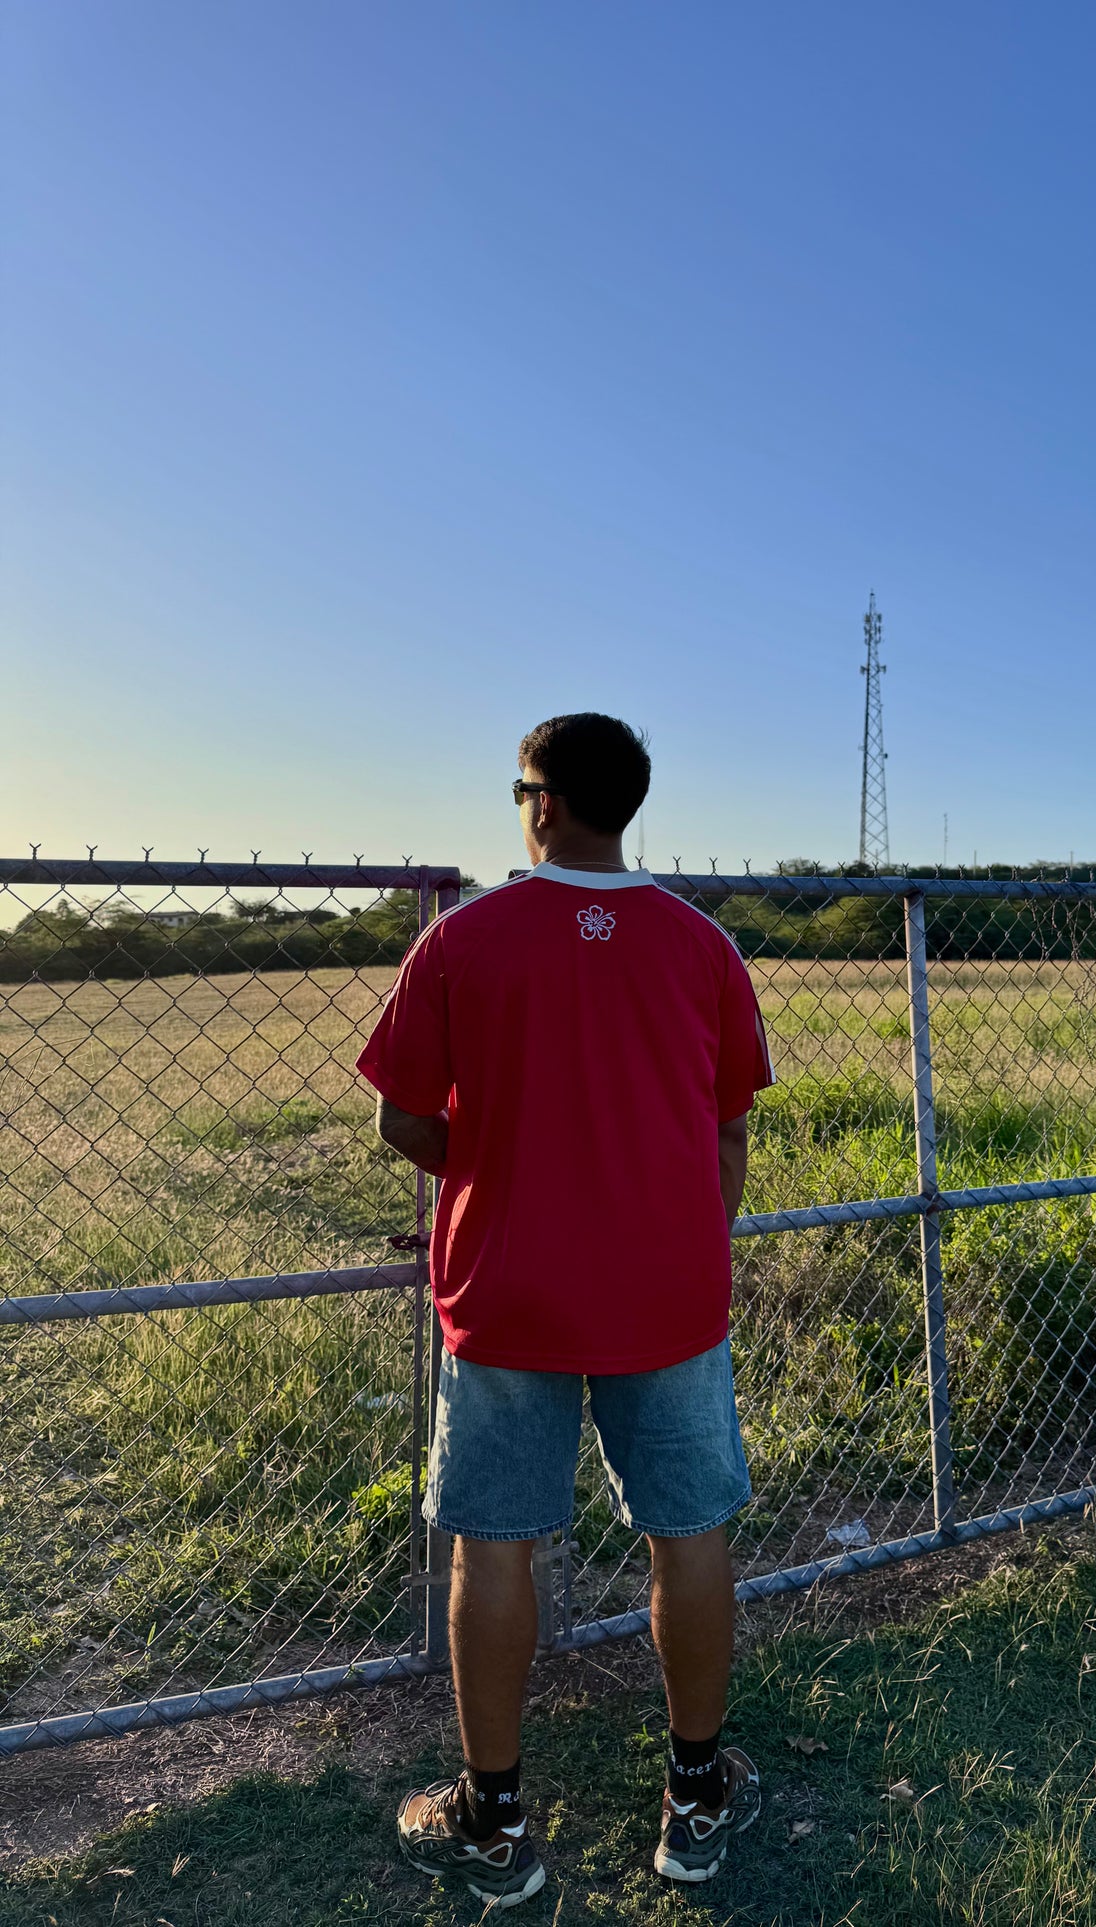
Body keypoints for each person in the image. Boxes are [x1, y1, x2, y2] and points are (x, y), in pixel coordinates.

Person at [356, 712, 773, 1907]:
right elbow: (727, 1125)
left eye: (518, 785)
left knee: (496, 1544)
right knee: (686, 1533)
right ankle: (692, 1802)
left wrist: (490, 1161)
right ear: (625, 804)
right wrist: (683, 1232)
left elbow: (400, 1118)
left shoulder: (463, 940)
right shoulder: (702, 948)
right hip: (667, 1295)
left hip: (505, 1291)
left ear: (540, 801)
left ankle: (495, 1824)